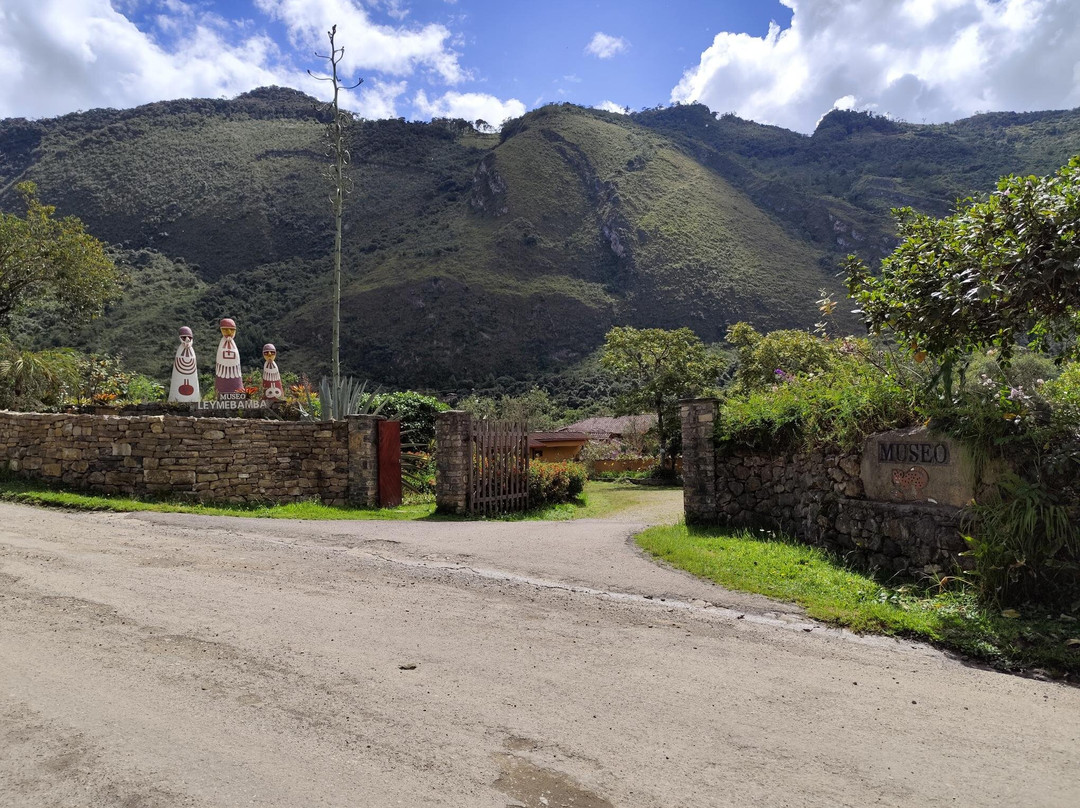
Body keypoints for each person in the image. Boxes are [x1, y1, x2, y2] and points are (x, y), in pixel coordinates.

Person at [168, 326, 200, 402]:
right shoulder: (179, 351)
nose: (187, 339)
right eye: (184, 337)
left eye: (189, 338)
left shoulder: (192, 352)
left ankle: (194, 398)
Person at [214, 318, 244, 395]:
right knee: (222, 381)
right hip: (222, 372)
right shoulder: (221, 344)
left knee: (235, 379)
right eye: (225, 330)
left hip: (235, 371)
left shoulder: (234, 346)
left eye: (232, 330)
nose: (229, 332)